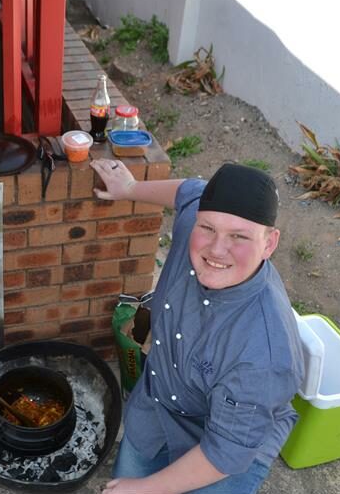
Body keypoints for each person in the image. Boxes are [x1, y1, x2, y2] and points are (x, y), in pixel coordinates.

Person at [91, 160, 304, 494]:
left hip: (228, 448)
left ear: (269, 243)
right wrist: (130, 189)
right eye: (208, 228)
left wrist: (143, 488)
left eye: (239, 236)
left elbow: (225, 452)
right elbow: (190, 190)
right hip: (155, 411)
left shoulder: (264, 353)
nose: (216, 249)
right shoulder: (195, 220)